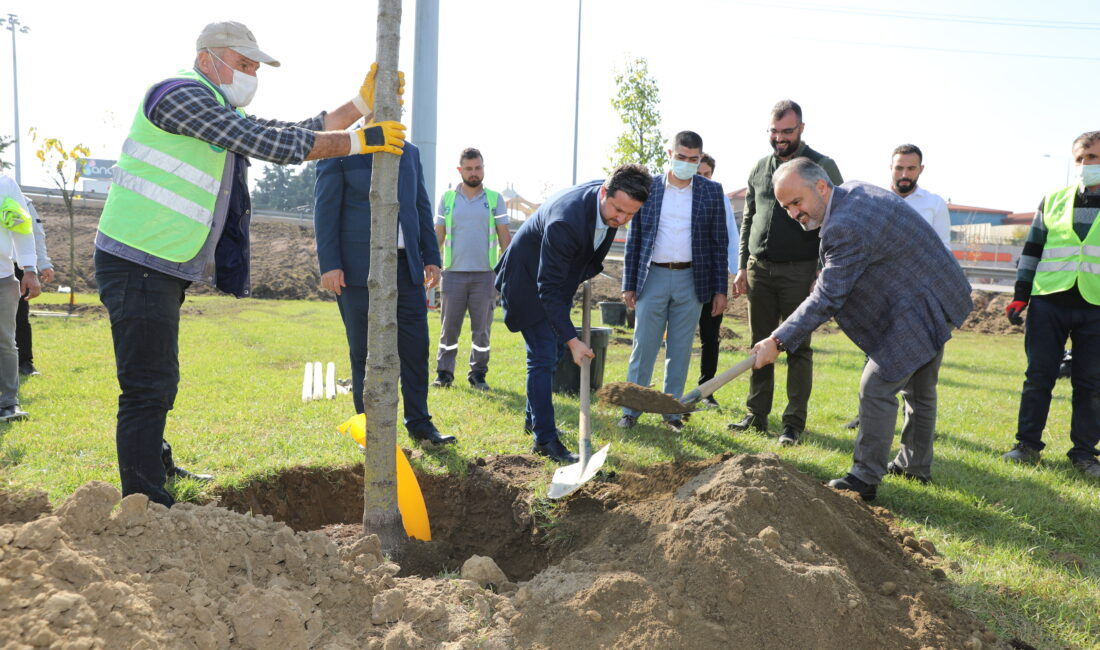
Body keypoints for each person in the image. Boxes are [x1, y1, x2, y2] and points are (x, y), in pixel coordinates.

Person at [93, 20, 407, 507]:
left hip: (161, 262)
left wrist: (359, 108)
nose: (251, 75)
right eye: (243, 64)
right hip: (135, 259)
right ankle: (144, 498)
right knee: (146, 383)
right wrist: (356, 141)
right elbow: (266, 141)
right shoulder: (176, 94)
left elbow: (284, 132)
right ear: (207, 60)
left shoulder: (215, 106)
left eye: (255, 67)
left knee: (159, 374)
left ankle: (155, 465)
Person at [752, 159, 972, 501]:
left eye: (797, 202)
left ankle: (864, 478)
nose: (794, 213)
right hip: (936, 291)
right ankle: (915, 465)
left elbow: (828, 296)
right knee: (920, 389)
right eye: (785, 207)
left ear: (821, 187)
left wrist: (778, 340)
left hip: (920, 304)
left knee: (876, 386)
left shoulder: (844, 225)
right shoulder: (852, 190)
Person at [495, 164, 652, 463]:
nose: (621, 219)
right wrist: (573, 340)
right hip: (527, 283)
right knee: (542, 355)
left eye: (629, 215)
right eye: (618, 210)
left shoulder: (611, 198)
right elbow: (547, 288)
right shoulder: (566, 221)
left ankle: (534, 421)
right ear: (604, 192)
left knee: (550, 354)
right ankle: (545, 440)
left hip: (555, 279)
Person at [314, 139, 452, 446]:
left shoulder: (410, 152)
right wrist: (330, 264)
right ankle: (369, 430)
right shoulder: (341, 147)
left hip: (406, 267)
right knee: (364, 351)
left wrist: (430, 256)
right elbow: (325, 208)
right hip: (356, 268)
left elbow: (420, 204)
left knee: (415, 348)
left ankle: (419, 423)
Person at [730, 100, 843, 446]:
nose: (779, 139)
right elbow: (748, 216)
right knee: (759, 344)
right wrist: (742, 265)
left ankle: (792, 424)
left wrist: (821, 271)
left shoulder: (821, 166)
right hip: (759, 269)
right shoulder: (759, 168)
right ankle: (756, 413)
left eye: (787, 132)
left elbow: (837, 216)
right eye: (774, 132)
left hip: (800, 272)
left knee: (797, 347)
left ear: (802, 129)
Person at [1001, 131, 1100, 479]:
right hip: (1049, 301)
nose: (1087, 165)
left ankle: (1085, 454)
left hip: (1096, 307)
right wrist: (1019, 296)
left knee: (1091, 383)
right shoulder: (1053, 200)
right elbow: (1032, 251)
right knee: (1039, 376)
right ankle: (1027, 445)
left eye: (1095, 158)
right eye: (1082, 158)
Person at [618, 132, 728, 430]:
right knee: (644, 346)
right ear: (670, 153)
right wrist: (629, 283)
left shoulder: (711, 192)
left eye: (693, 160)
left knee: (680, 349)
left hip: (691, 280)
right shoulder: (649, 188)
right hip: (652, 275)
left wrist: (720, 289)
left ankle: (672, 414)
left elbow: (719, 242)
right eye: (681, 157)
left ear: (700, 159)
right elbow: (635, 237)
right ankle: (631, 409)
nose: (686, 163)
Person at [843, 143, 953, 429]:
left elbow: (942, 253)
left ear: (921, 169)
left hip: (916, 300)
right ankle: (868, 416)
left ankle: (909, 424)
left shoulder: (934, 204)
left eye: (911, 168)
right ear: (890, 168)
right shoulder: (872, 200)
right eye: (899, 168)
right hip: (877, 296)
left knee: (917, 372)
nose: (904, 174)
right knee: (874, 361)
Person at [432, 148, 511, 391]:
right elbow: (438, 237)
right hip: (453, 274)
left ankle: (478, 375)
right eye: (469, 168)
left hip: (485, 275)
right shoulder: (447, 199)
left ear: (483, 168)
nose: (474, 173)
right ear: (460, 170)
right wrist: (432, 267)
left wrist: (508, 271)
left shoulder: (495, 198)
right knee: (449, 329)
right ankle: (444, 374)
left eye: (478, 168)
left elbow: (504, 237)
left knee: (482, 331)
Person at [695, 153, 739, 409]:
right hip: (682, 278)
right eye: (698, 174)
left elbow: (729, 239)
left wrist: (729, 275)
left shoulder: (719, 199)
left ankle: (706, 389)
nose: (702, 179)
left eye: (707, 175)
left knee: (710, 337)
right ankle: (671, 390)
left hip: (711, 277)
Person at [0, 173, 41, 421]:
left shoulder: (5, 185)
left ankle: (8, 402)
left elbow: (22, 228)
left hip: (2, 277)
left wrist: (30, 270)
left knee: (4, 341)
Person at [15, 198, 54, 376]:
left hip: (15, 266)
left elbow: (35, 233)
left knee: (19, 317)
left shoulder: (21, 198)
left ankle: (24, 363)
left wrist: (43, 263)